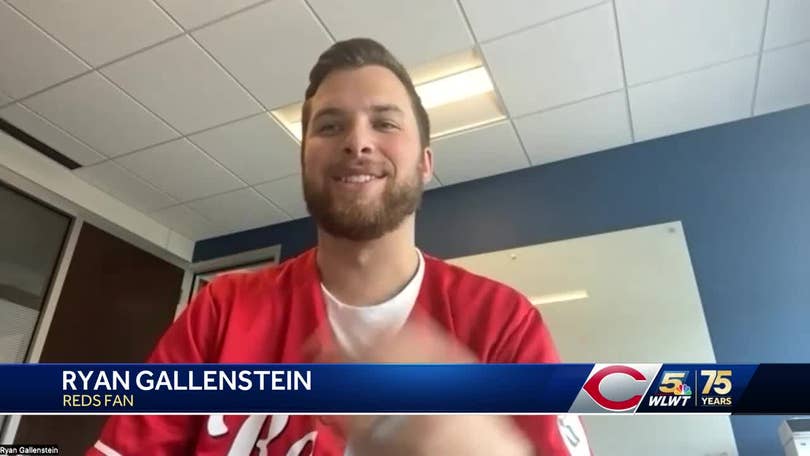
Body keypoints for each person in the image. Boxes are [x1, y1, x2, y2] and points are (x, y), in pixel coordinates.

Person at [88, 38, 590, 456]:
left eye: (385, 123)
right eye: (330, 126)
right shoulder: (221, 312)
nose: (357, 142)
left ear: (425, 163)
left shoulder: (504, 323)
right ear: (305, 161)